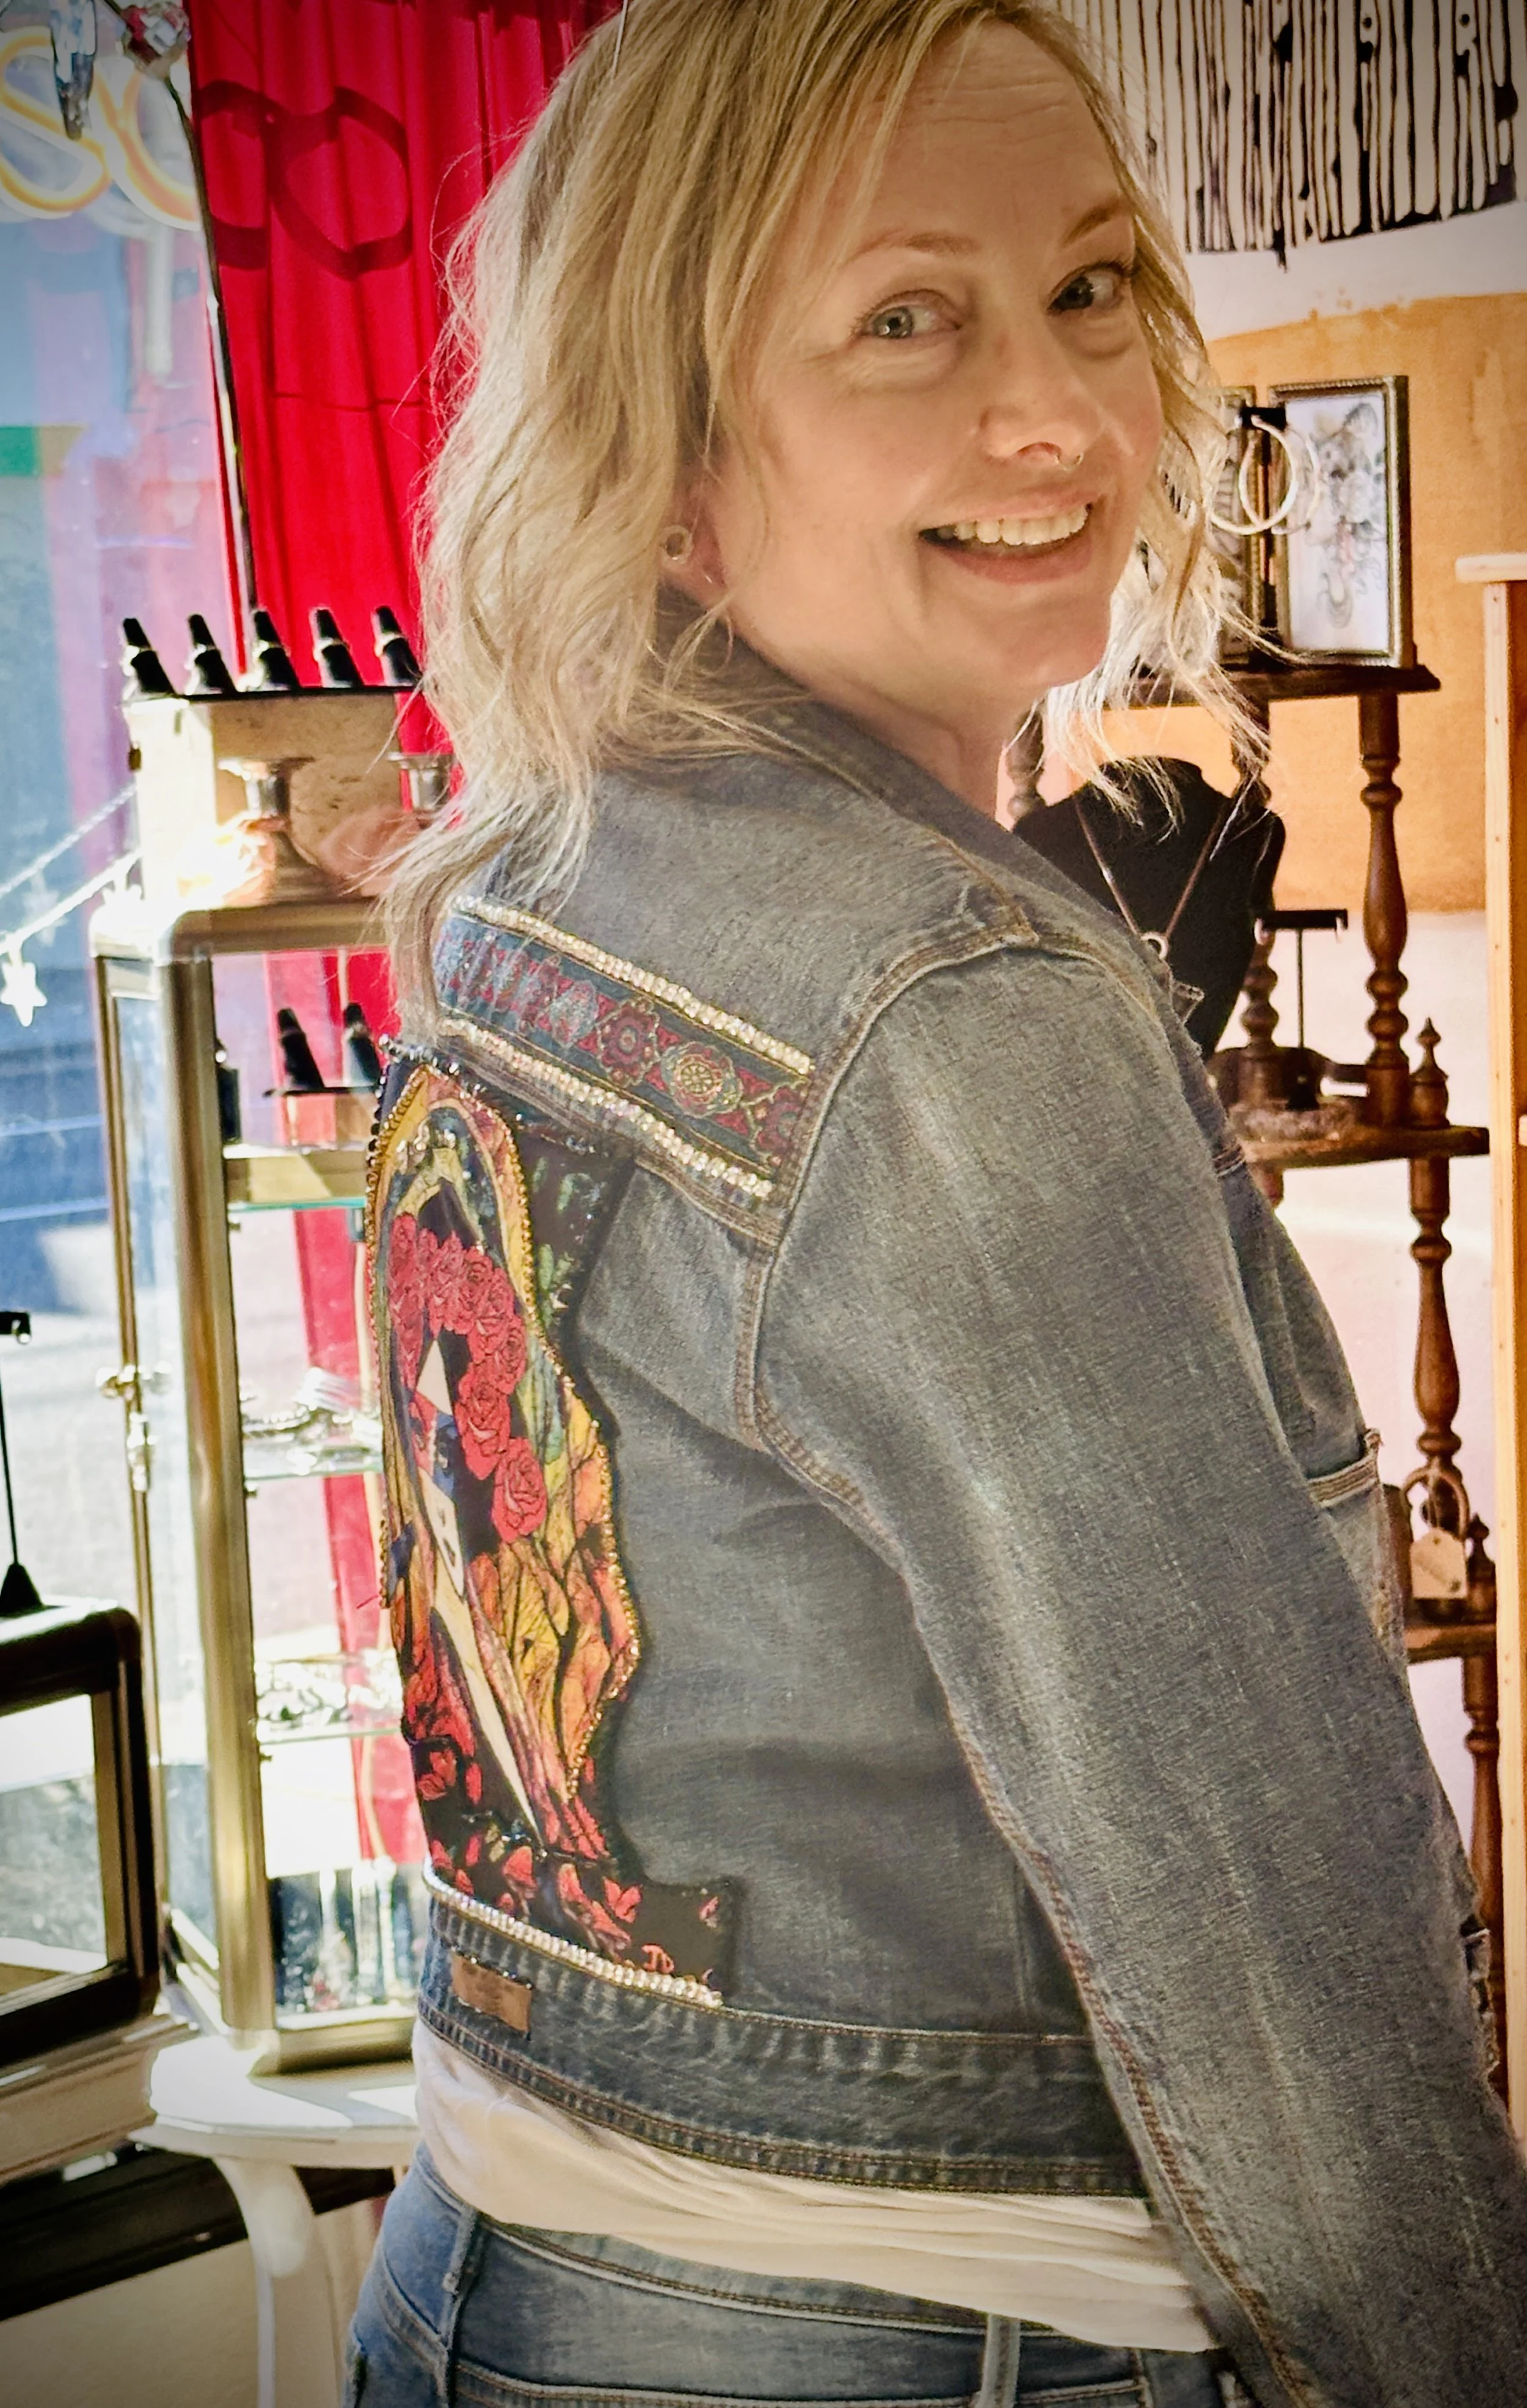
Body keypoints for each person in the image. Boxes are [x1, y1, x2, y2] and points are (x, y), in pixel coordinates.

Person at [351, 5, 1527, 2403]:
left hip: (502, 2269)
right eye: (907, 319)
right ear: (668, 446)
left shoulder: (540, 863)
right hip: (924, 2334)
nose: (1059, 415)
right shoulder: (954, 1009)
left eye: (1087, 287)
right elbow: (1265, 1919)